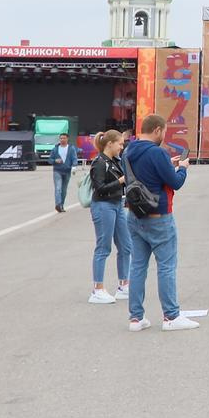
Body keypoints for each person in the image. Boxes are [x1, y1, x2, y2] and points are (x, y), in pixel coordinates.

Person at [121, 114, 194, 331]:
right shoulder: (157, 152)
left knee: (137, 266)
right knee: (166, 266)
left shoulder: (128, 151)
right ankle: (171, 316)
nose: (164, 136)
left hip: (134, 216)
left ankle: (136, 318)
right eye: (164, 131)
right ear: (157, 130)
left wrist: (167, 164)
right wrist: (182, 168)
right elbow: (175, 183)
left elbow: (143, 175)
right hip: (159, 217)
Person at [87, 128, 133, 305]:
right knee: (103, 247)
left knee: (125, 245)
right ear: (110, 143)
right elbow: (99, 187)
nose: (121, 147)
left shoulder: (115, 161)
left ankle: (124, 285)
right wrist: (120, 181)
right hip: (103, 205)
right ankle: (97, 288)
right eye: (120, 144)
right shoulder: (99, 162)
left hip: (118, 204)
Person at [49, 132, 80, 213]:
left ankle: (61, 205)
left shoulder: (71, 148)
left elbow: (74, 159)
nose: (62, 139)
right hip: (57, 171)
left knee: (64, 189)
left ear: (67, 139)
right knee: (58, 188)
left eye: (64, 138)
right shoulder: (55, 149)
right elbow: (50, 160)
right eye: (61, 138)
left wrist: (74, 166)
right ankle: (58, 204)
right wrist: (55, 160)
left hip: (67, 171)